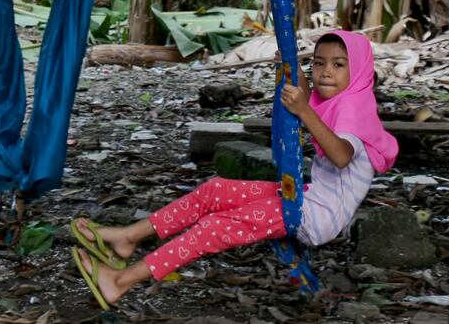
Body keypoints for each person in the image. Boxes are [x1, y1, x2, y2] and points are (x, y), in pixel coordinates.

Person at [70, 30, 398, 309]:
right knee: (215, 190)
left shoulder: (357, 108)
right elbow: (310, 98)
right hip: (306, 198)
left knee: (214, 227)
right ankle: (128, 238)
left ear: (358, 71)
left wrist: (302, 109)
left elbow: (341, 155)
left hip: (315, 215)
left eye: (339, 65)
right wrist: (289, 64)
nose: (326, 72)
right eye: (319, 63)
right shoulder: (338, 98)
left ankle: (122, 281)